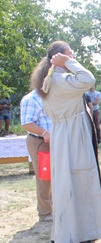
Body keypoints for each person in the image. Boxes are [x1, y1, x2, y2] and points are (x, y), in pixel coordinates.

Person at [31, 40, 101, 243]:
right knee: (79, 179)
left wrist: (65, 61)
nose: (73, 57)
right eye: (69, 54)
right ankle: (78, 232)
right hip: (73, 134)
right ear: (58, 58)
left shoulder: (50, 80)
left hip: (62, 133)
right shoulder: (60, 79)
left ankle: (73, 231)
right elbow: (88, 78)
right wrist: (67, 62)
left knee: (67, 180)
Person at [20, 89, 53, 221]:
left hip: (56, 141)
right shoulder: (31, 99)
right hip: (40, 141)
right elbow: (26, 123)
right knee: (44, 177)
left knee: (57, 175)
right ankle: (45, 212)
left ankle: (56, 208)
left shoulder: (53, 95)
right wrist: (44, 132)